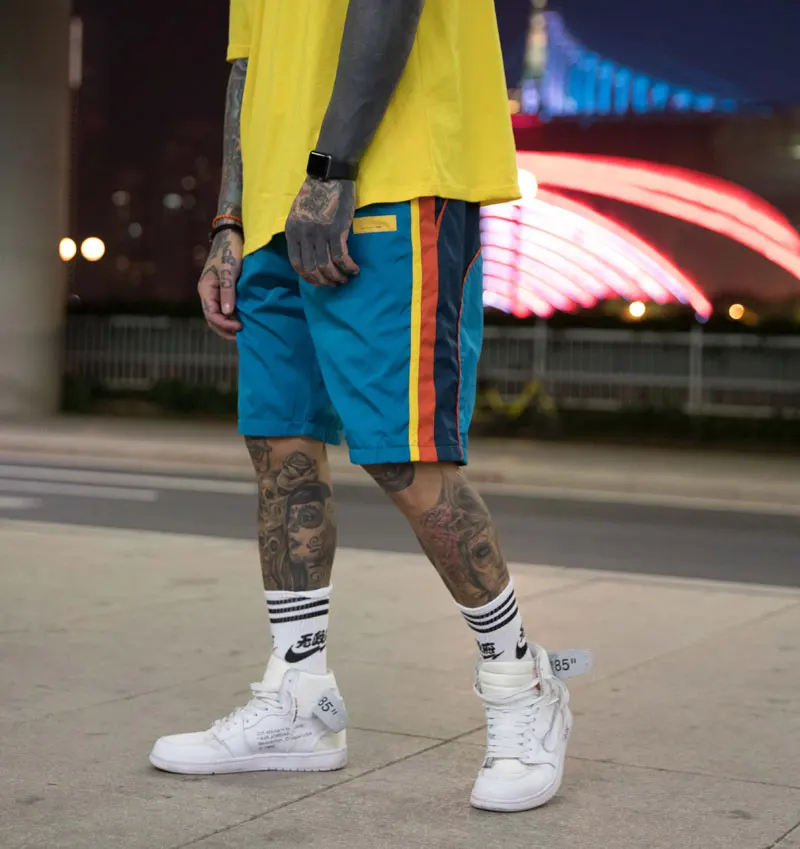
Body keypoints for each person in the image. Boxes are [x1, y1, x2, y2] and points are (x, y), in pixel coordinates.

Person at [149, 0, 581, 812]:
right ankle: (300, 699)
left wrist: (330, 168)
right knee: (281, 452)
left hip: (388, 176)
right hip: (276, 203)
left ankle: (524, 683)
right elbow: (246, 65)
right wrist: (230, 219)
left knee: (404, 455)